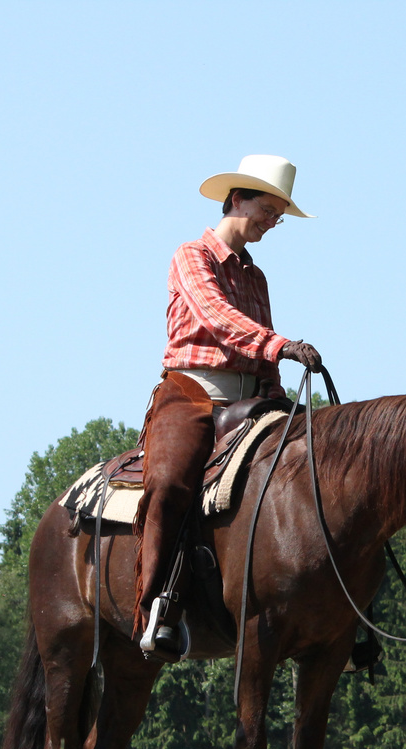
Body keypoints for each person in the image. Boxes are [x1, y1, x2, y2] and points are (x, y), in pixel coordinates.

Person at [134, 155, 324, 661]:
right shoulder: (191, 255)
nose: (271, 223)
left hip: (253, 397)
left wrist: (279, 388)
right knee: (171, 479)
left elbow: (258, 350)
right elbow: (219, 321)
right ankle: (156, 603)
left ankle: (330, 611)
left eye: (279, 215)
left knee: (322, 464)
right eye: (267, 209)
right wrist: (281, 345)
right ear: (237, 199)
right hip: (192, 391)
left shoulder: (257, 278)